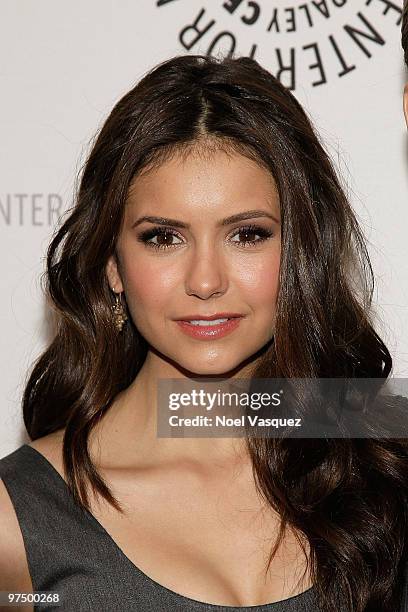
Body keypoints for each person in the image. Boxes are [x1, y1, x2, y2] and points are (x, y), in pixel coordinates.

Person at [0, 53, 407, 612]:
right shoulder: (17, 519)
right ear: (111, 263)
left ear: (301, 253)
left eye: (247, 234)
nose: (206, 280)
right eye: (163, 238)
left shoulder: (386, 469)